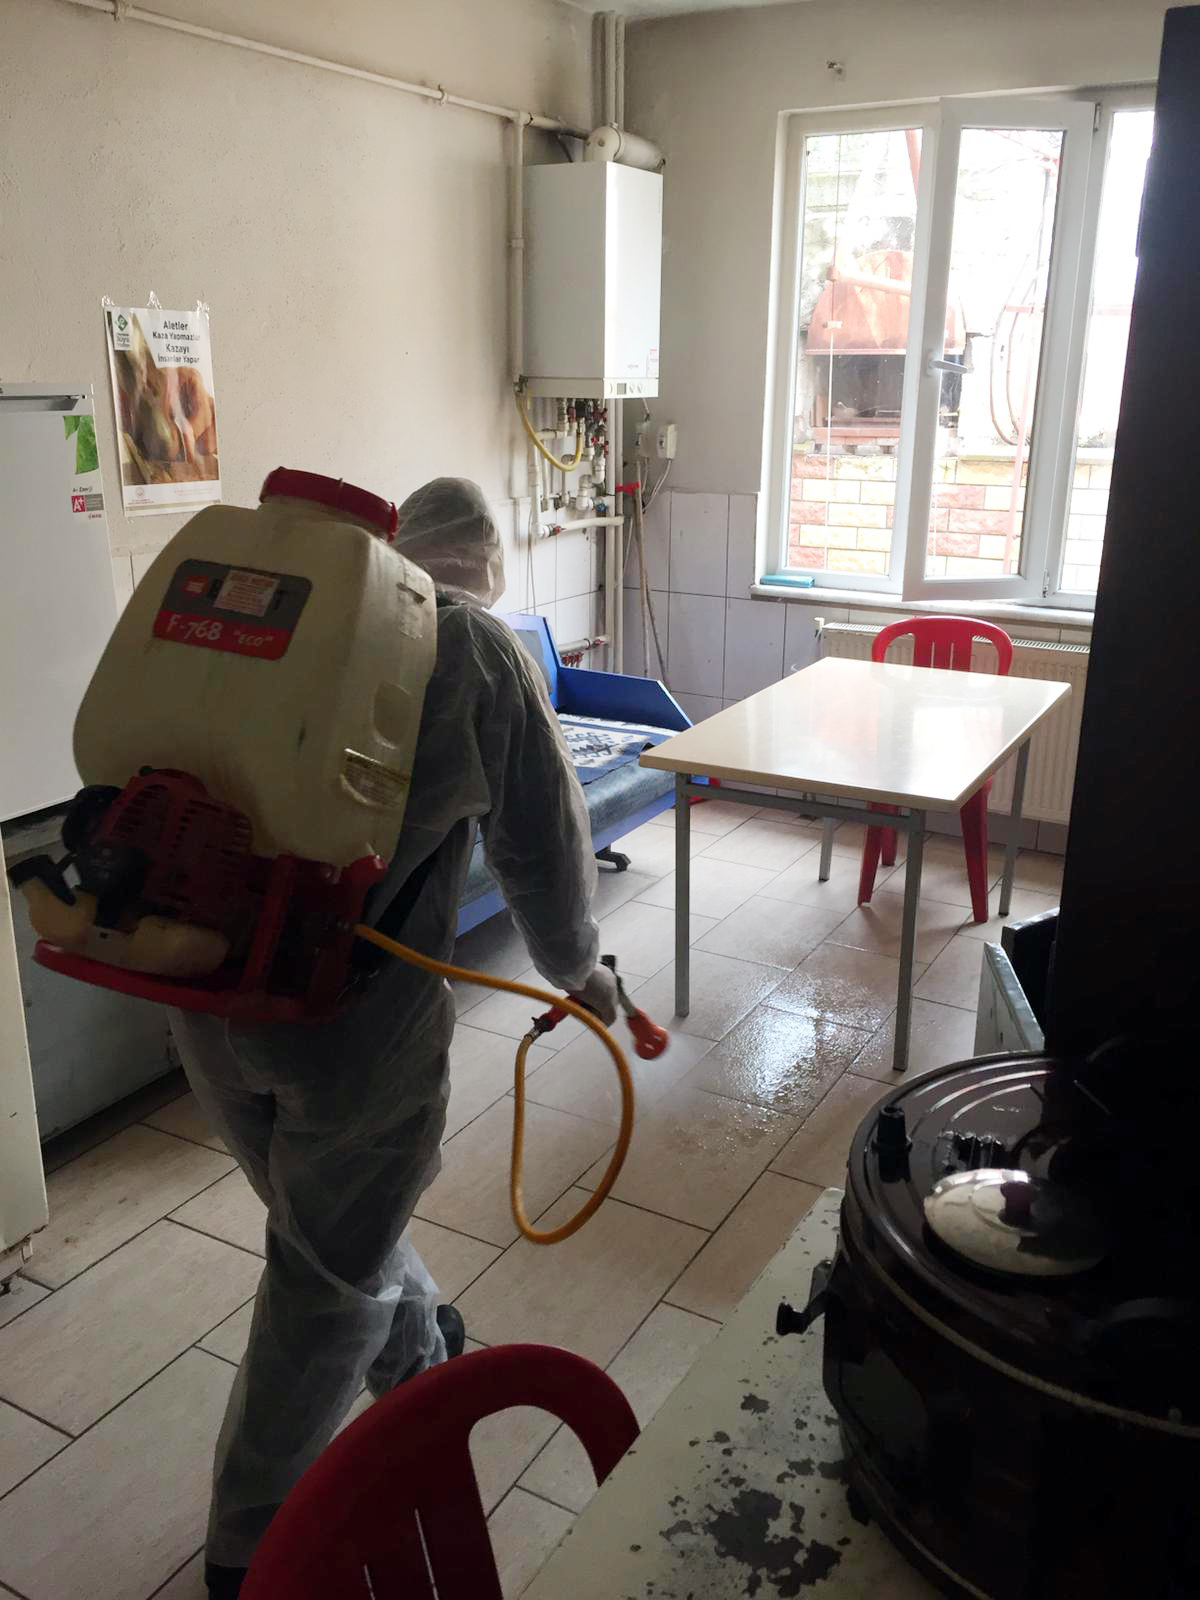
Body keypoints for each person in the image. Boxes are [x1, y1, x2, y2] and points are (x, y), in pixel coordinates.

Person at [171, 477, 618, 1599]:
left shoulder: (285, 611)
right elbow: (544, 848)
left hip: (197, 987)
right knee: (325, 1265)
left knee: (330, 1222)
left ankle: (420, 1353)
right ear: (484, 565)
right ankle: (249, 1544)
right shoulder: (472, 649)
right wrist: (581, 972)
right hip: (347, 1023)